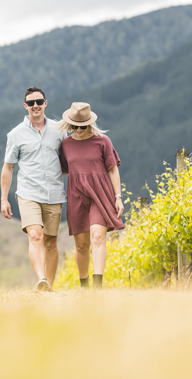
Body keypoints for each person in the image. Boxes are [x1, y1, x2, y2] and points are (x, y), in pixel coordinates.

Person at [0, 87, 66, 291]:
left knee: (51, 242)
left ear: (46, 103)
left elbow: (70, 158)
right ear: (25, 106)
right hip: (28, 193)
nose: (35, 106)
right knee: (35, 235)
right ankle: (41, 280)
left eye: (39, 102)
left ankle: (49, 288)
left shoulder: (59, 130)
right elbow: (8, 167)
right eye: (31, 103)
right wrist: (4, 199)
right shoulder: (15, 134)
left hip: (54, 193)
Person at [58, 102, 124, 288]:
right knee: (81, 245)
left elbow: (113, 171)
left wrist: (118, 197)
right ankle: (84, 284)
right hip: (76, 195)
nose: (78, 130)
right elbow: (63, 169)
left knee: (97, 237)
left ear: (89, 123)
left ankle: (97, 285)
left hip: (100, 194)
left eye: (82, 126)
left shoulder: (103, 141)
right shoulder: (66, 144)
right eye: (74, 126)